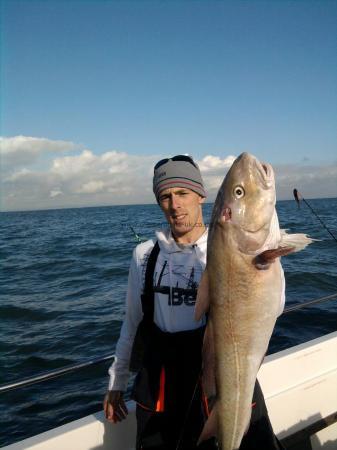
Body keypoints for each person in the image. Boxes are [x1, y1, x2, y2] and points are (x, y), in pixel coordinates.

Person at [104, 155, 284, 450]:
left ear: (201, 195)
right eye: (165, 196)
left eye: (183, 193)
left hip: (222, 372)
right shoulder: (144, 256)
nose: (175, 204)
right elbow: (132, 322)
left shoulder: (228, 243)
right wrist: (116, 381)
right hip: (162, 382)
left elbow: (272, 307)